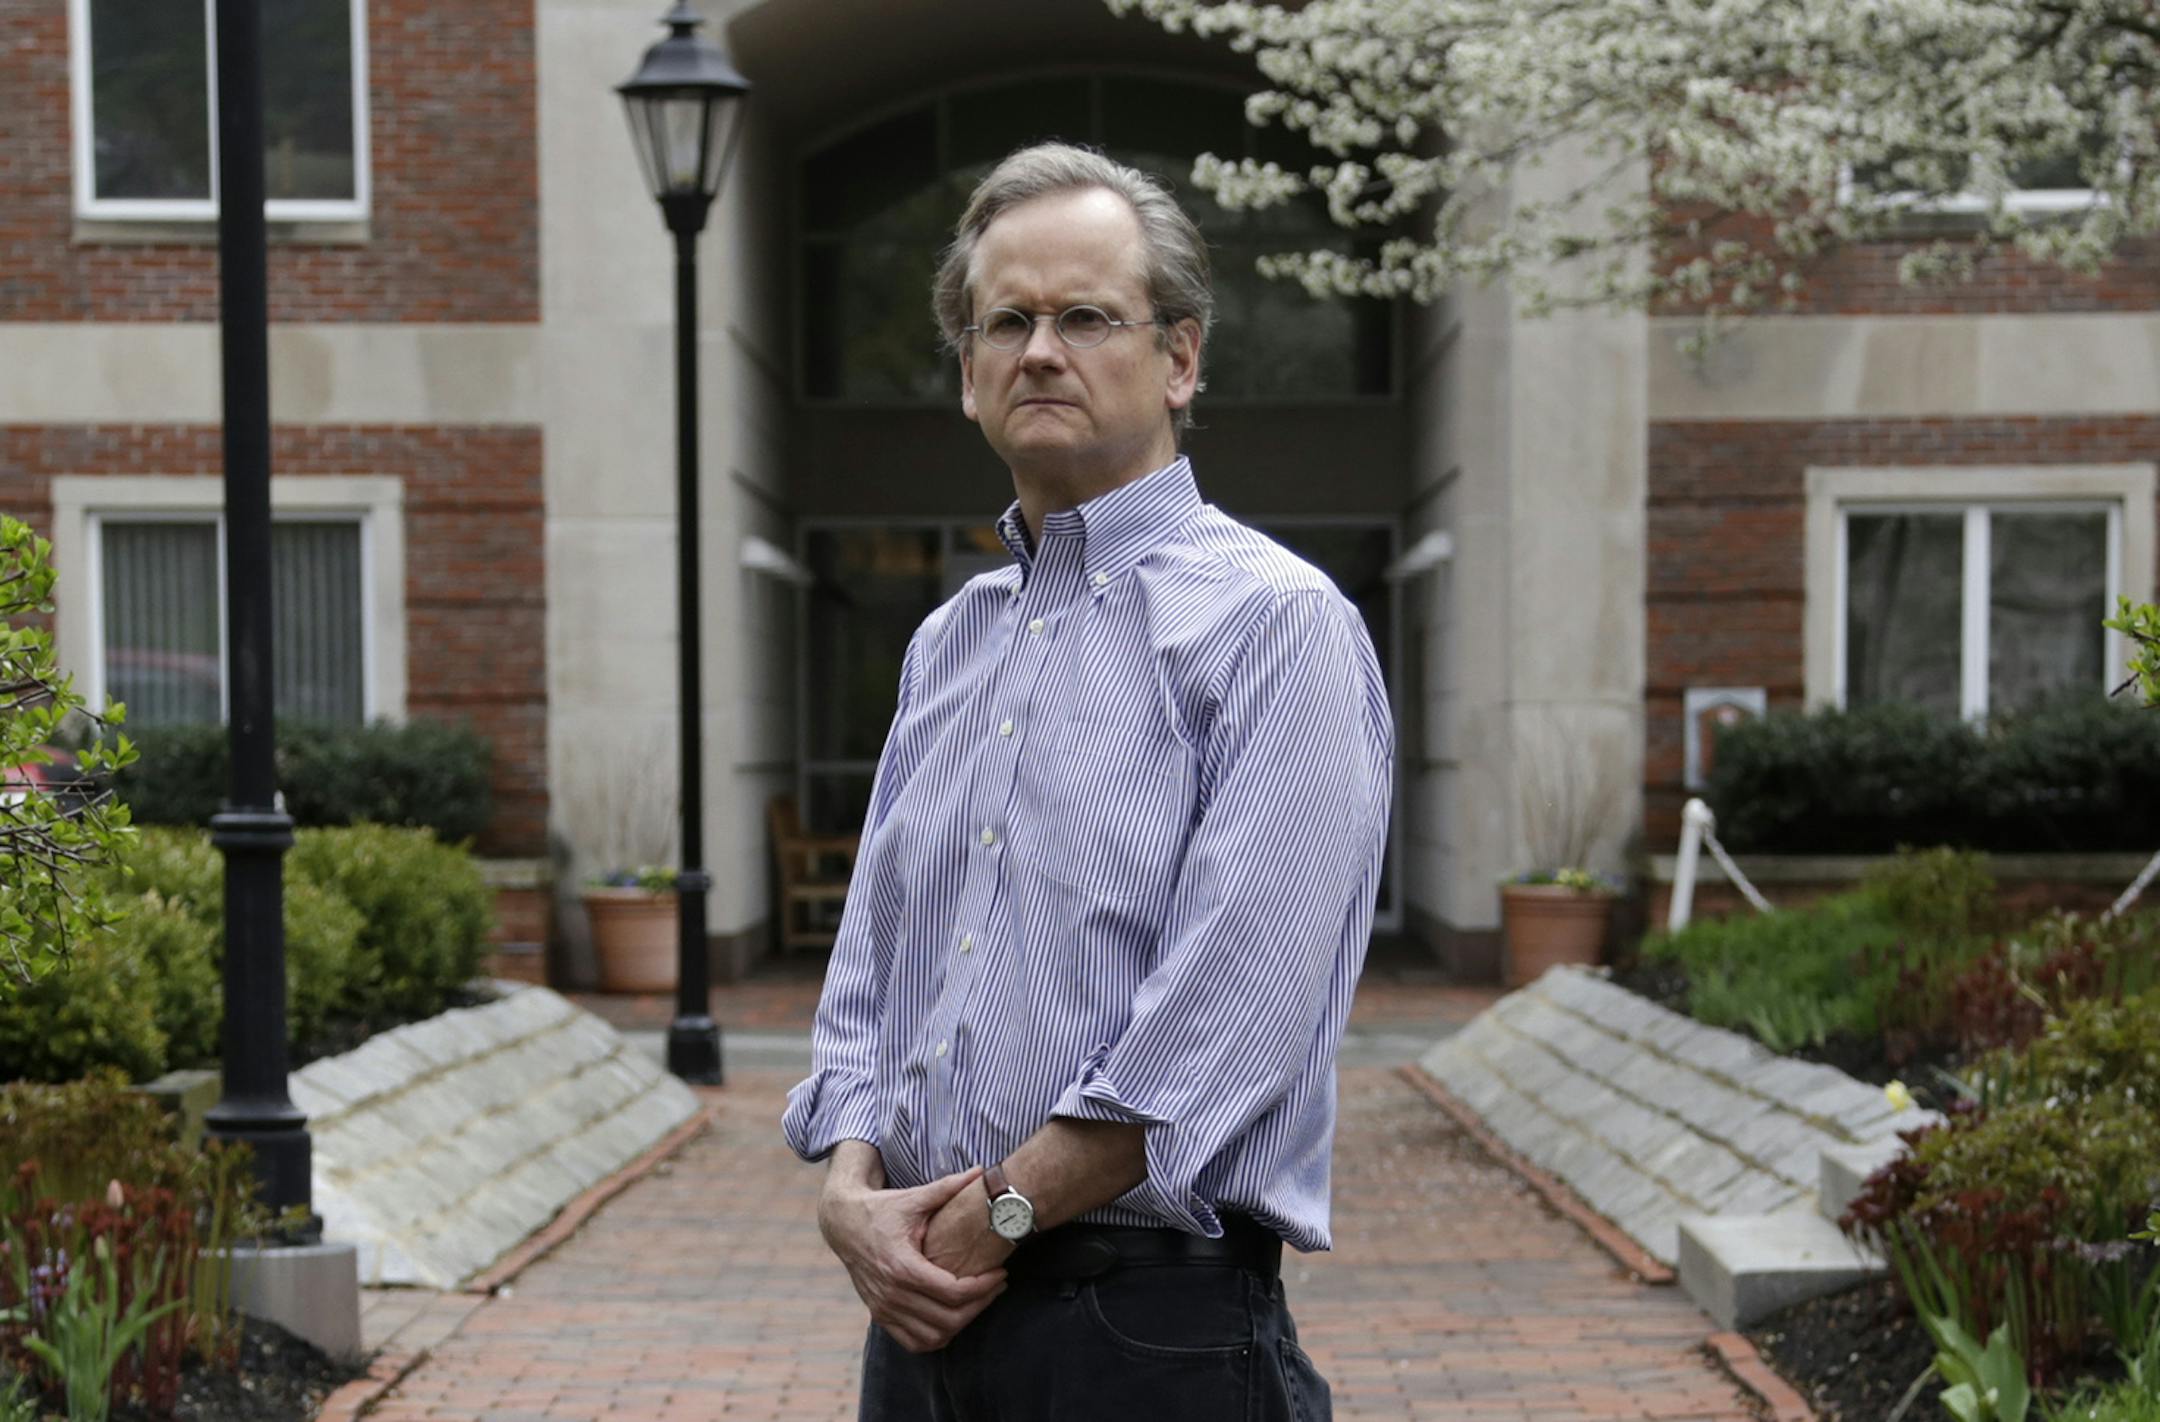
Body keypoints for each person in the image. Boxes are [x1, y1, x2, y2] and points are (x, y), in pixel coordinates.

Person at [782, 141, 1394, 1422]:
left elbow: (1239, 1009)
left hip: (1149, 1331)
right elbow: (873, 968)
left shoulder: (1276, 625)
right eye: (1006, 321)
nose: (1040, 351)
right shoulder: (950, 643)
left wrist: (1000, 1211)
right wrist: (848, 1192)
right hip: (924, 1324)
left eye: (1085, 317)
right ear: (966, 375)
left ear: (1179, 358)